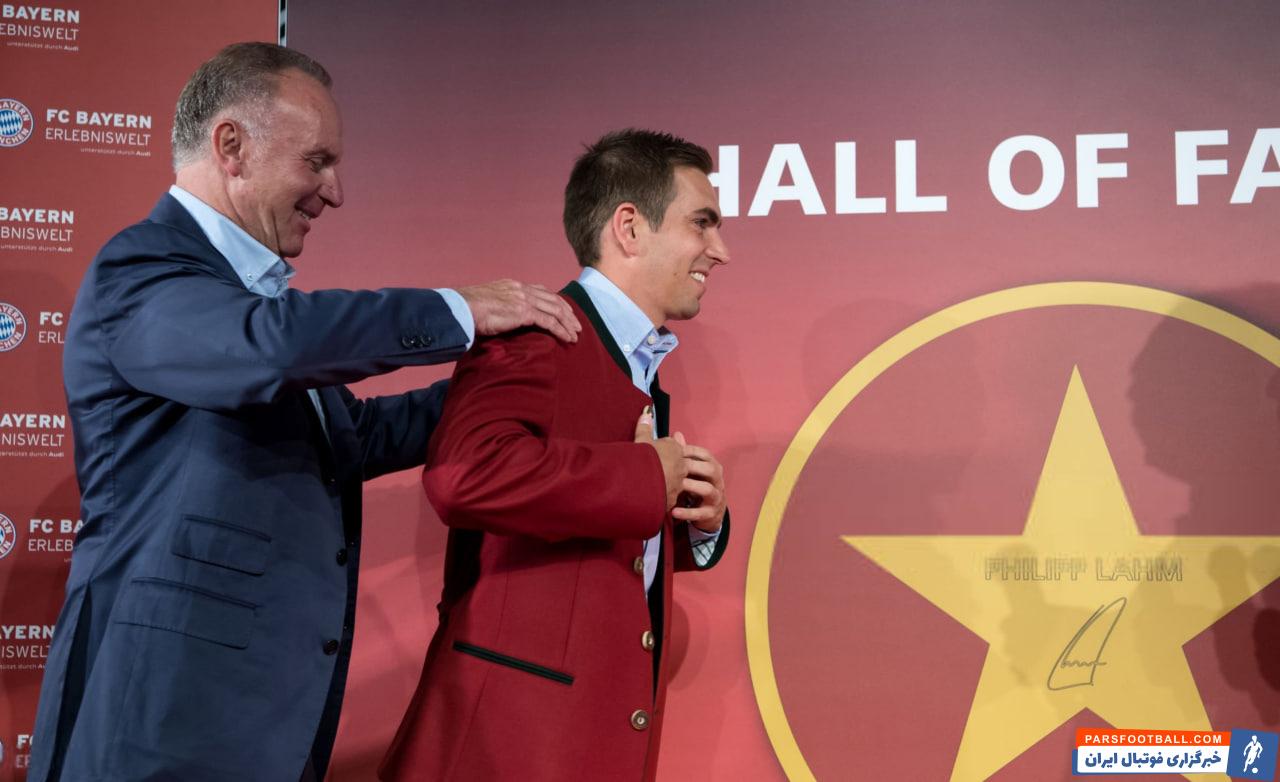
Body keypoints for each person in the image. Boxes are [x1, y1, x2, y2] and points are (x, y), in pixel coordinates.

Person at [27, 42, 581, 782]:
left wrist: (524, 386)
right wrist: (456, 310)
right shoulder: (142, 271)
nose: (335, 191)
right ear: (232, 147)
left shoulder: (259, 310)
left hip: (261, 728)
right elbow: (267, 349)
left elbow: (360, 435)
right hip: (163, 724)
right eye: (316, 161)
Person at [380, 129, 731, 781]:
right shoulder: (536, 337)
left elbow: (601, 545)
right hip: (509, 746)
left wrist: (694, 524)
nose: (721, 250)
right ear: (630, 227)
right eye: (702, 223)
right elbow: (464, 475)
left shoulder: (641, 364)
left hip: (591, 743)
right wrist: (643, 476)